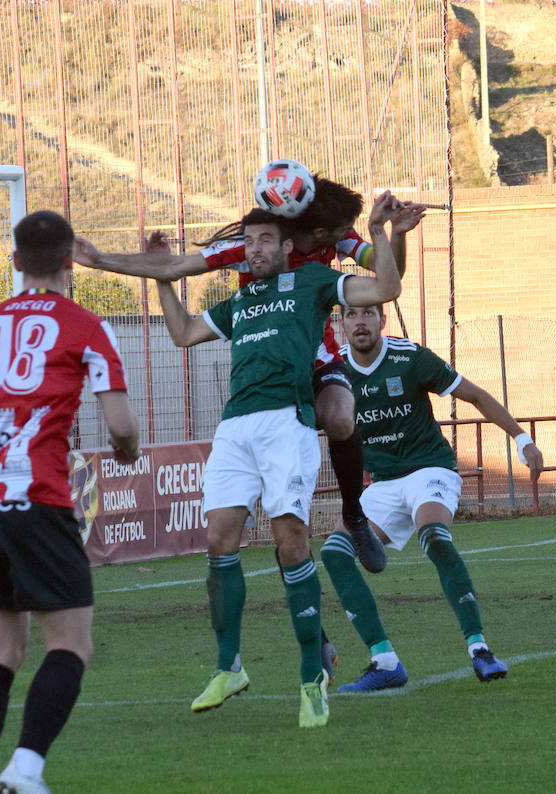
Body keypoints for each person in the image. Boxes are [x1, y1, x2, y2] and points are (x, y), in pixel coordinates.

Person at [74, 176, 425, 574]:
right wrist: (100, 259)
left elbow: (388, 276)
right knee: (272, 524)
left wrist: (394, 232)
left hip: (317, 359)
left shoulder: (334, 246)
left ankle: (354, 516)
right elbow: (174, 274)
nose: (351, 234)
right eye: (346, 229)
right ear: (319, 231)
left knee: (341, 416)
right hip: (268, 374)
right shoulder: (249, 250)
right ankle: (286, 552)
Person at [148, 198, 404, 728]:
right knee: (219, 541)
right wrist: (163, 281)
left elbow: (385, 288)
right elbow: (183, 333)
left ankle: (313, 676)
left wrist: (380, 232)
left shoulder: (312, 283)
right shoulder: (239, 303)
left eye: (266, 240)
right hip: (234, 429)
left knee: (291, 542)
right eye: (250, 241)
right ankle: (229, 668)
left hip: (286, 423)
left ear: (288, 247)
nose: (256, 248)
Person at [0, 210, 141, 794]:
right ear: (72, 259)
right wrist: (126, 447)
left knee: (1, 646)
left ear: (14, 262)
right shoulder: (86, 325)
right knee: (70, 642)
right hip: (38, 496)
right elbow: (120, 423)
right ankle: (25, 769)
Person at [327, 302, 542, 691]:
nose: (360, 322)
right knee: (334, 552)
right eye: (351, 315)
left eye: (368, 314)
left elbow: (475, 395)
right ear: (341, 323)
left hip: (429, 469)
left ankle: (480, 649)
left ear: (382, 319)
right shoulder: (333, 371)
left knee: (434, 535)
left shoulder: (410, 358)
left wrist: (522, 439)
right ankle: (385, 661)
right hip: (383, 483)